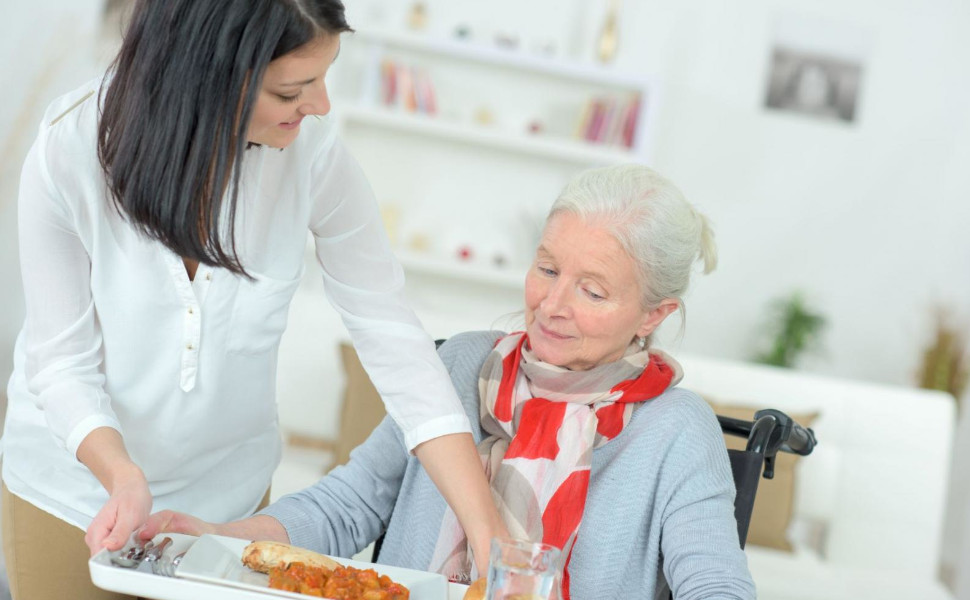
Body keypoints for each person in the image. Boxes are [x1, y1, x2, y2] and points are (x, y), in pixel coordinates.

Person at [2, 2, 506, 599]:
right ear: (206, 77)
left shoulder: (314, 157)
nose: (320, 105)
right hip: (75, 493)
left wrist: (485, 529)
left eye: (323, 77)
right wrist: (121, 474)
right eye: (291, 91)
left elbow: (393, 336)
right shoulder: (70, 150)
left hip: (229, 505)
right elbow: (61, 362)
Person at [145, 165, 757, 600]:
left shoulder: (678, 429)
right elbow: (348, 505)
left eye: (592, 291)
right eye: (547, 269)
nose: (551, 306)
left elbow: (716, 586)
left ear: (653, 315)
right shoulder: (461, 363)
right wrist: (219, 538)